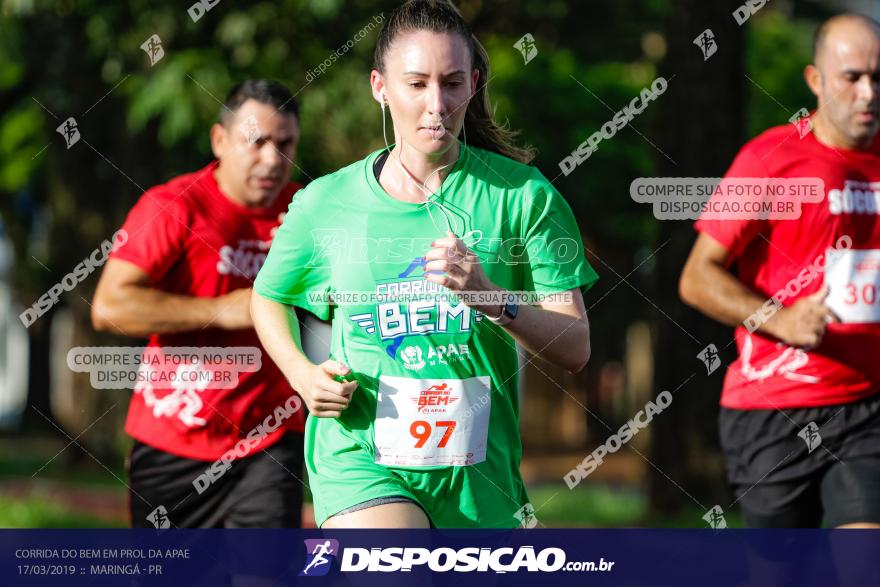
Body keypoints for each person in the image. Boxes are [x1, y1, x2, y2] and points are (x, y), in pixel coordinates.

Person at [252, 0, 598, 529]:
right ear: (380, 87)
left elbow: (575, 347)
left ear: (474, 85)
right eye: (416, 84)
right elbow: (269, 296)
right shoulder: (325, 201)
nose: (436, 103)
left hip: (478, 477)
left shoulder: (524, 196)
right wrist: (302, 374)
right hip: (360, 457)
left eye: (452, 83)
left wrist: (491, 298)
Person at [680, 14, 880, 528]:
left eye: (879, 78)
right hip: (773, 409)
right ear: (815, 80)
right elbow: (698, 277)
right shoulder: (771, 160)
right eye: (852, 77)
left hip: (865, 406)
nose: (868, 93)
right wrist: (781, 318)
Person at [91, 79, 307, 528]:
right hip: (174, 443)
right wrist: (223, 309)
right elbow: (109, 306)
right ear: (220, 140)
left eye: (285, 143)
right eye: (258, 142)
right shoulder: (173, 207)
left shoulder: (306, 213)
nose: (273, 159)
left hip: (269, 441)